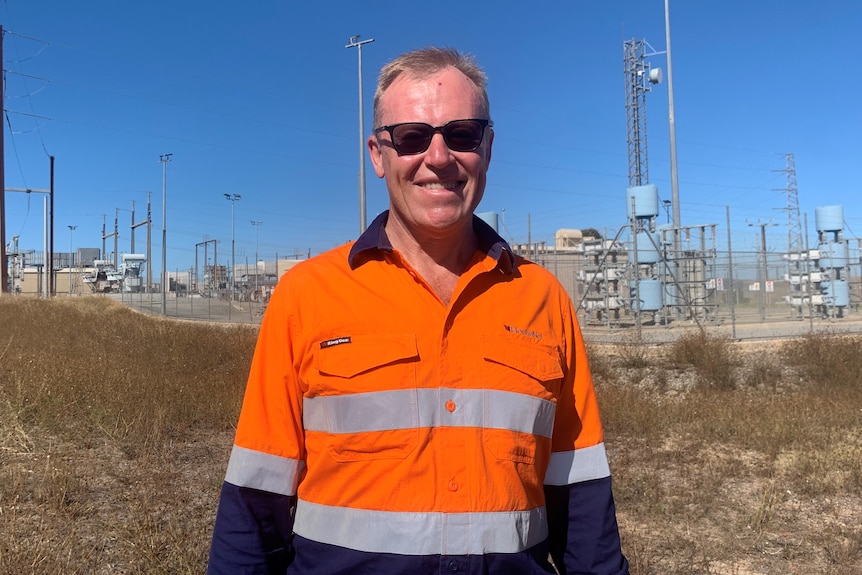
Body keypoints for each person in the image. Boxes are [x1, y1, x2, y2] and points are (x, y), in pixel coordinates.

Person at [208, 46, 630, 575]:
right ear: (377, 154)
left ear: (488, 147)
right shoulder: (305, 295)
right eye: (410, 137)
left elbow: (581, 495)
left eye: (461, 135)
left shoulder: (543, 297)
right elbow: (255, 501)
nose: (438, 158)